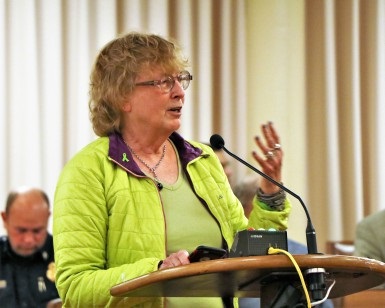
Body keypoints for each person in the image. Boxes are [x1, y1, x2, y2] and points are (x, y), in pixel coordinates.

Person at [53, 31, 292, 307]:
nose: (179, 91)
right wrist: (155, 273)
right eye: (164, 82)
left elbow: (249, 257)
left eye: (181, 79)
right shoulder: (89, 171)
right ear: (122, 97)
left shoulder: (202, 161)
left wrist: (271, 193)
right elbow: (76, 288)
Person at [232, 175, 334, 308]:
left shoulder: (303, 254)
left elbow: (324, 303)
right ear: (242, 209)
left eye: (277, 204)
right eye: (263, 206)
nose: (274, 212)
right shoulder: (233, 255)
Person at [0, 187, 61, 307]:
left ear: (48, 217)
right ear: (5, 219)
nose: (29, 240)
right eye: (21, 230)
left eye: (37, 231)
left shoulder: (65, 257)